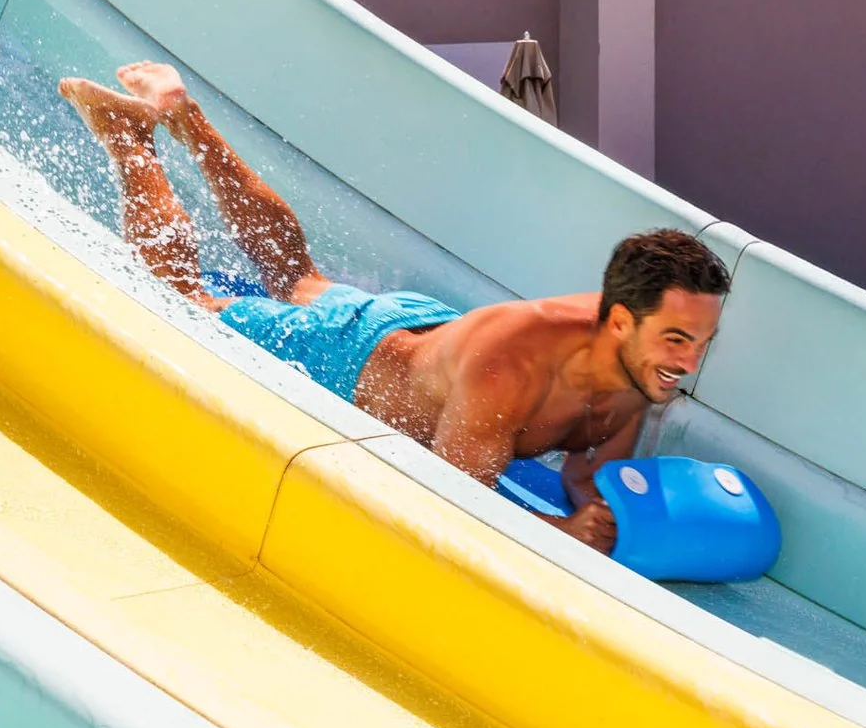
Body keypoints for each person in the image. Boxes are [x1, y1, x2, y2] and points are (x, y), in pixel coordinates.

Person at [60, 62, 732, 553]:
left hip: (427, 333)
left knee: (296, 276)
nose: (689, 360)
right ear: (622, 321)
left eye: (700, 342)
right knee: (182, 300)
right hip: (352, 357)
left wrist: (601, 508)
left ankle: (184, 115)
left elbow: (589, 465)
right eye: (678, 339)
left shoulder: (642, 367)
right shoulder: (515, 367)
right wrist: (560, 530)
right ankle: (130, 136)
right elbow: (454, 499)